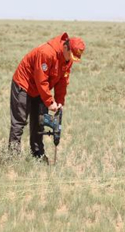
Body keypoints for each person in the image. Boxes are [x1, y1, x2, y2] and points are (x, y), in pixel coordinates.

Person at [8, 33, 85, 161]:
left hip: (41, 90)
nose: (71, 59)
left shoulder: (67, 60)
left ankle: (37, 154)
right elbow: (41, 80)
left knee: (39, 121)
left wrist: (59, 101)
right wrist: (49, 102)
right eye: (71, 55)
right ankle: (12, 157)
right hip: (24, 85)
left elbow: (62, 81)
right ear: (65, 47)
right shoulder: (47, 53)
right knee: (19, 122)